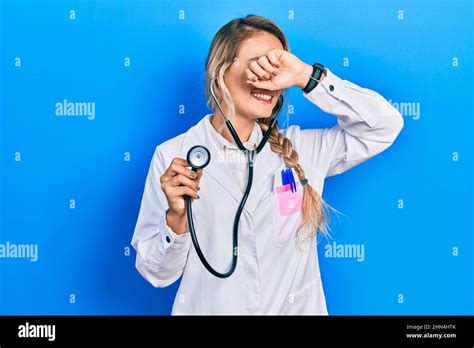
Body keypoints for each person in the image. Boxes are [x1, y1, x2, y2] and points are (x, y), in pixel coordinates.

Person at [131, 14, 404, 315]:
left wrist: (306, 76)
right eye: (258, 65)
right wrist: (176, 217)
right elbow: (156, 273)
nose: (269, 80)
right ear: (220, 72)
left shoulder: (304, 150)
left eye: (277, 67)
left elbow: (385, 126)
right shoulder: (174, 156)